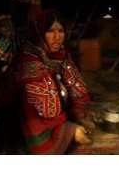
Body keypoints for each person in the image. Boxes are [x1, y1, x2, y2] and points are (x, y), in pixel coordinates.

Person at [14, 10, 94, 154]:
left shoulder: (60, 54)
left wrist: (78, 111)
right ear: (39, 32)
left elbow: (77, 87)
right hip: (33, 121)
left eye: (61, 31)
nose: (57, 37)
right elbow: (46, 111)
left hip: (59, 114)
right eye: (50, 31)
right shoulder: (28, 61)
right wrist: (71, 130)